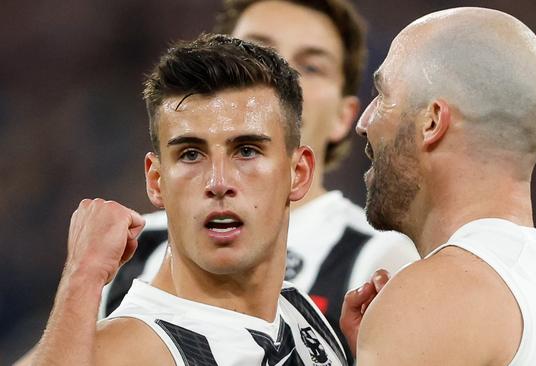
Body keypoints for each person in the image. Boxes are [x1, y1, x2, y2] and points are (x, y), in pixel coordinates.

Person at [101, 0, 418, 360]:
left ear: (344, 116)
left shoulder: (373, 254)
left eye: (311, 65)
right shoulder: (131, 249)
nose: (286, 72)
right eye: (261, 51)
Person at [28, 34, 349, 365]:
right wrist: (81, 277)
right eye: (191, 154)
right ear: (156, 180)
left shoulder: (303, 318)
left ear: (299, 172)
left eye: (247, 150)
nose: (218, 182)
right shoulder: (133, 350)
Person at [340, 7, 536, 365]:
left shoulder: (436, 296)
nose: (365, 121)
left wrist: (402, 331)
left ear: (432, 122)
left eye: (383, 96)